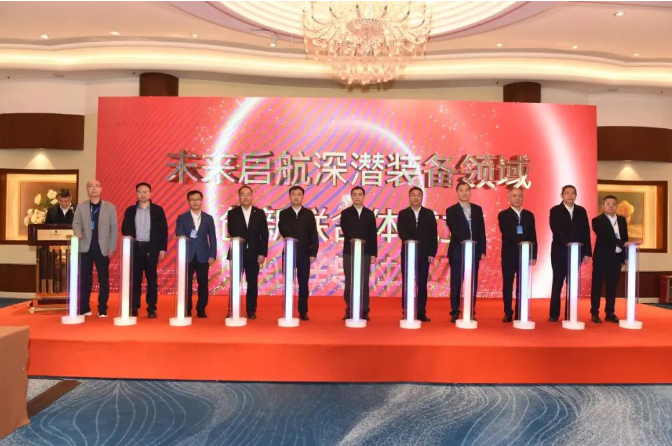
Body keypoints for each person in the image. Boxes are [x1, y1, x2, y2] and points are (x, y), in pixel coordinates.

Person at [120, 182, 168, 319]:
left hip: (151, 249)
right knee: (135, 280)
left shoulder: (158, 210)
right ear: (136, 193)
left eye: (145, 192)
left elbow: (163, 230)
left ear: (150, 193)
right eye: (140, 192)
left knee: (152, 280)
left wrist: (162, 248)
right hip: (135, 248)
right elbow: (125, 228)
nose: (143, 194)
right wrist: (128, 235)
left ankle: (151, 308)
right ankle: (134, 307)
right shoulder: (130, 210)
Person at [72, 179, 117, 317]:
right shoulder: (81, 207)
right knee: (85, 280)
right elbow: (76, 223)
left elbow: (114, 228)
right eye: (90, 186)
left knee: (103, 280)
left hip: (102, 249)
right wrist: (78, 233)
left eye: (96, 186)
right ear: (87, 190)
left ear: (101, 189)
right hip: (85, 248)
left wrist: (112, 247)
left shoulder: (110, 207)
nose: (94, 188)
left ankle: (102, 308)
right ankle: (84, 307)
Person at [549, 185, 592, 322]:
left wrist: (587, 252)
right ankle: (554, 314)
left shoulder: (581, 211)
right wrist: (567, 243)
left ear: (576, 195)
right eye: (567, 193)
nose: (570, 196)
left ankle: (570, 313)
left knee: (572, 283)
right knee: (557, 283)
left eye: (573, 193)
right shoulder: (555, 210)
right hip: (559, 252)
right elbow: (555, 229)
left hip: (576, 252)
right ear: (561, 195)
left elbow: (586, 232)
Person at [445, 181, 486, 323]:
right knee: (456, 283)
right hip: (458, 252)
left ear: (470, 192)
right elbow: (454, 230)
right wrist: (467, 242)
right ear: (457, 192)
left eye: (467, 190)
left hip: (474, 252)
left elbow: (481, 231)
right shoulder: (451, 210)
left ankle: (470, 311)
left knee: (472, 283)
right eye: (461, 190)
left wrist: (482, 249)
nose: (464, 193)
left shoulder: (477, 209)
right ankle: (455, 311)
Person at [226, 185, 269, 319]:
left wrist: (262, 253)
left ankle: (251, 310)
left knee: (252, 283)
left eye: (248, 194)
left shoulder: (259, 213)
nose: (245, 197)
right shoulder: (232, 213)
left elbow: (264, 235)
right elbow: (232, 231)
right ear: (239, 197)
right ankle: (232, 310)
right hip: (237, 252)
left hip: (254, 254)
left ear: (252, 196)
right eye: (243, 194)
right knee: (235, 283)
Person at [278, 186, 319, 321]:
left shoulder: (308, 214)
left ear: (302, 196)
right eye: (293, 194)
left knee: (303, 284)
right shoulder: (284, 214)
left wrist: (313, 252)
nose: (296, 197)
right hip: (289, 253)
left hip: (304, 254)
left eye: (299, 194)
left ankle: (303, 311)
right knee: (288, 283)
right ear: (290, 196)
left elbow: (313, 234)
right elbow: (283, 229)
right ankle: (288, 309)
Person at [497, 187, 537, 322]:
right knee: (508, 284)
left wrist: (533, 254)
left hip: (524, 254)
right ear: (509, 197)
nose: (517, 198)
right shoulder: (503, 215)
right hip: (509, 254)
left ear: (523, 198)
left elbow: (533, 235)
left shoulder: (529, 215)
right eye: (514, 196)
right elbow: (507, 232)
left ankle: (520, 311)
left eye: (520, 196)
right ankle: (508, 312)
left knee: (522, 284)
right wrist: (522, 242)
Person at [397, 186, 437, 322]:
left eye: (418, 195)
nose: (416, 197)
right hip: (408, 252)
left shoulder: (429, 214)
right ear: (409, 197)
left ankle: (421, 312)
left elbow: (433, 234)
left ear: (422, 197)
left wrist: (432, 252)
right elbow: (401, 231)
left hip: (424, 254)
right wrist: (410, 242)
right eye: (413, 195)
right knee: (407, 283)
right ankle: (406, 311)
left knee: (422, 284)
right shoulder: (403, 214)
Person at [175, 190, 217, 318]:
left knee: (203, 284)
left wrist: (212, 254)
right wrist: (183, 236)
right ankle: (187, 309)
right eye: (192, 199)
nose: (195, 202)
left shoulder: (208, 218)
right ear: (188, 201)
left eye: (197, 199)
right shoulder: (182, 217)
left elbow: (212, 237)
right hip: (187, 255)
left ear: (201, 201)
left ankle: (201, 309)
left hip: (203, 255)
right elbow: (178, 232)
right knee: (186, 284)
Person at [340, 186, 378, 321]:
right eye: (354, 194)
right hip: (349, 252)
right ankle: (350, 310)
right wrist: (355, 240)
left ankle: (364, 311)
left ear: (363, 196)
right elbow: (346, 230)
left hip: (365, 253)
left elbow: (373, 234)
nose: (357, 197)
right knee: (350, 282)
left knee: (363, 283)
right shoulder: (345, 213)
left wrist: (373, 253)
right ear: (351, 197)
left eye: (360, 194)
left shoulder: (369, 214)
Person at [590, 195, 628, 323]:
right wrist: (622, 243)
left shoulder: (622, 220)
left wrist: (623, 258)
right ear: (603, 206)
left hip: (616, 258)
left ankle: (610, 312)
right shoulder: (597, 221)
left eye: (613, 204)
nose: (611, 206)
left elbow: (625, 238)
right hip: (602, 258)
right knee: (597, 286)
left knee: (612, 286)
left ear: (617, 206)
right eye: (608, 204)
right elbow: (606, 237)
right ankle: (594, 312)